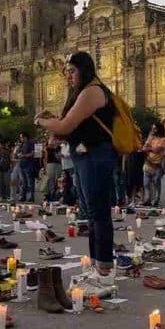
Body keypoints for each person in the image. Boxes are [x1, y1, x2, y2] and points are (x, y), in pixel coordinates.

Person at [35, 51, 117, 281]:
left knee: (98, 212)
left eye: (72, 71)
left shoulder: (92, 91)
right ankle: (97, 264)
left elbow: (64, 126)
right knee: (91, 212)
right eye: (66, 72)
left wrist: (40, 120)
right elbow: (69, 130)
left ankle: (104, 267)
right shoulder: (82, 92)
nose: (68, 77)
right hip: (84, 157)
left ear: (84, 69)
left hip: (95, 156)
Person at [141, 121, 165, 207]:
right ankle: (147, 199)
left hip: (157, 165)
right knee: (146, 183)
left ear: (159, 129)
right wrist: (149, 146)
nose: (153, 130)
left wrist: (149, 148)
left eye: (155, 128)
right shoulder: (150, 138)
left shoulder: (164, 139)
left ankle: (156, 200)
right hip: (148, 164)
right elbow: (144, 148)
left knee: (156, 183)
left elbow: (158, 149)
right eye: (152, 128)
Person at [43, 136, 62, 202]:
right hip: (50, 164)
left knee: (57, 180)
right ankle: (50, 196)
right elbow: (45, 158)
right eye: (51, 139)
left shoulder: (59, 147)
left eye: (54, 139)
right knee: (51, 180)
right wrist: (45, 167)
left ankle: (55, 196)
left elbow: (60, 158)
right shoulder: (47, 148)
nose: (53, 141)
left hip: (58, 164)